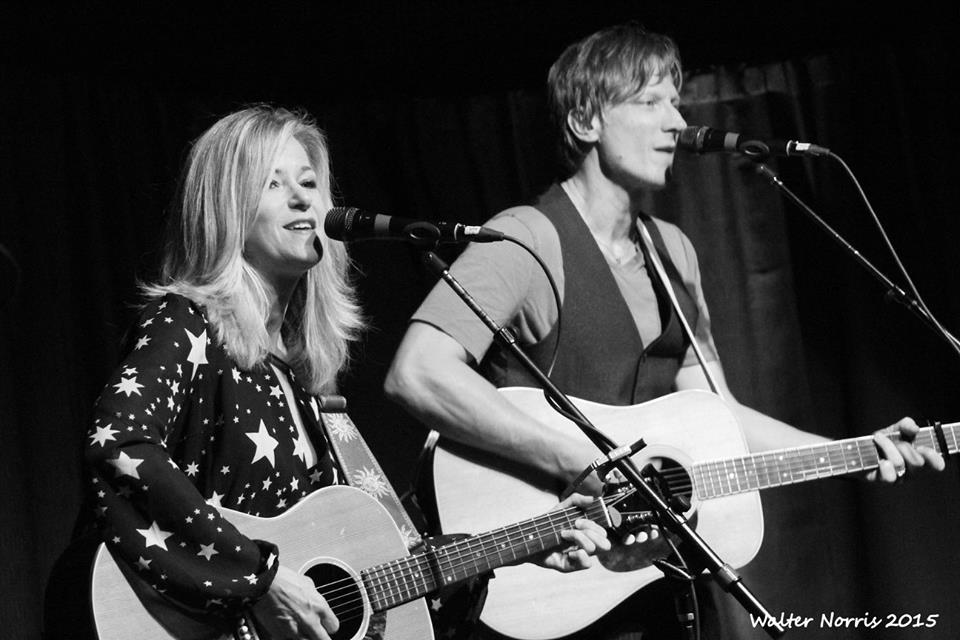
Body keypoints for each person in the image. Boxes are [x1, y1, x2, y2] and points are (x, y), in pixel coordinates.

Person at [384, 23, 946, 639]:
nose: (677, 122)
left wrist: (849, 453)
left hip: (655, 586)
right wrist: (580, 460)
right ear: (585, 122)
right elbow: (419, 374)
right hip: (559, 573)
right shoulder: (527, 239)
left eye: (675, 102)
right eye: (650, 102)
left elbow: (720, 415)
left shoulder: (673, 252)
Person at [53, 105, 609, 640]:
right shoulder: (187, 324)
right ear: (224, 209)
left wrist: (521, 545)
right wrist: (258, 579)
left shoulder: (306, 388)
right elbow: (117, 445)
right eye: (271, 183)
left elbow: (386, 572)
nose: (302, 197)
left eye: (309, 182)